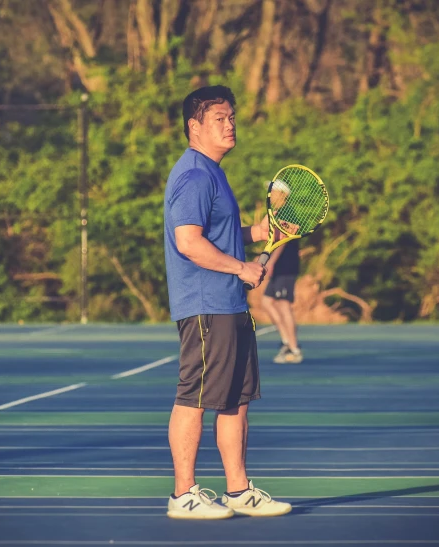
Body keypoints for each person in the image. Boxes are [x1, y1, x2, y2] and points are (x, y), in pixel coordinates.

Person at [163, 85, 292, 520]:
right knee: (195, 397)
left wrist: (256, 233)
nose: (230, 124)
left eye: (232, 116)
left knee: (236, 400)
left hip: (230, 305)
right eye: (220, 118)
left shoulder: (213, 172)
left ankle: (238, 491)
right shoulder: (195, 174)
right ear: (194, 127)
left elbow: (217, 231)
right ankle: (184, 494)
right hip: (206, 305)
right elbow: (189, 242)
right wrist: (241, 268)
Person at [262, 239, 303, 363]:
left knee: (284, 305)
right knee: (266, 302)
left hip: (286, 266)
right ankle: (286, 342)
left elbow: (284, 239)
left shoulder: (286, 219)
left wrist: (271, 262)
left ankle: (294, 349)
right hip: (279, 267)